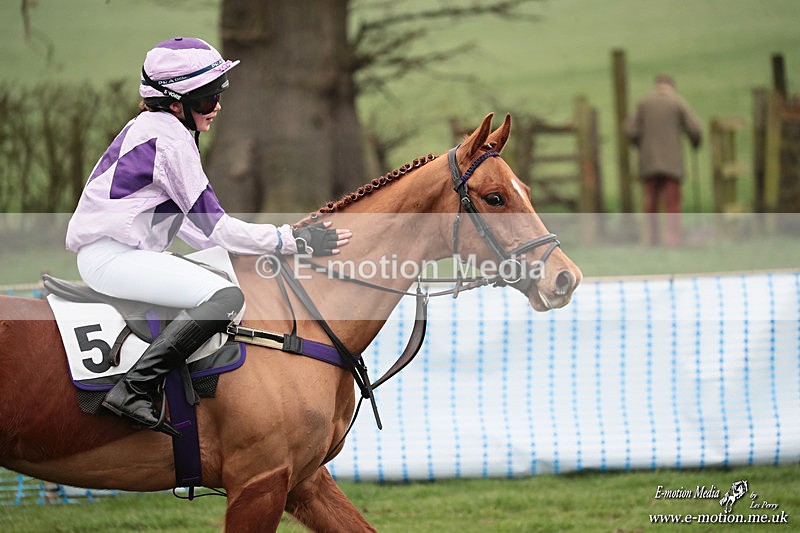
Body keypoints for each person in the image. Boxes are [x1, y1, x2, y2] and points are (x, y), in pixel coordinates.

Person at [66, 37, 351, 437]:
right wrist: (292, 240)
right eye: (205, 99)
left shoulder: (155, 128)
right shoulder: (171, 140)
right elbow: (216, 226)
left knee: (220, 276)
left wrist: (251, 251)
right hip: (112, 258)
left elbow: (196, 229)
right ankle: (136, 387)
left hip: (115, 254)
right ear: (175, 103)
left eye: (218, 94)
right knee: (226, 297)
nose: (216, 106)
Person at [626, 74, 702, 246]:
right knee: (672, 202)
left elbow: (630, 130)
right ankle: (673, 239)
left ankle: (651, 239)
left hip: (649, 161)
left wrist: (640, 144)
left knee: (650, 202)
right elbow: (695, 129)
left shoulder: (643, 103)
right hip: (672, 162)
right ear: (672, 86)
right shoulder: (677, 102)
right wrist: (695, 143)